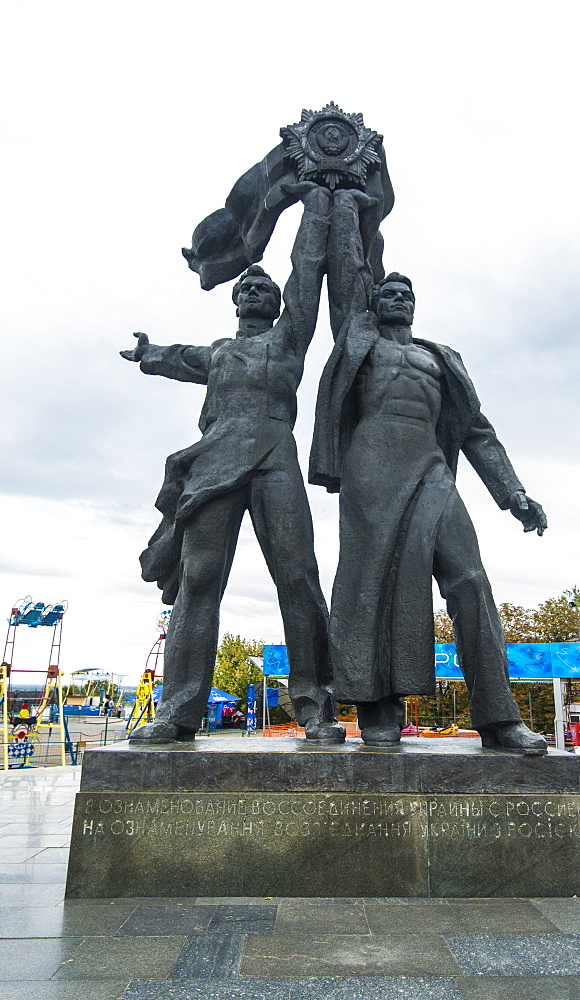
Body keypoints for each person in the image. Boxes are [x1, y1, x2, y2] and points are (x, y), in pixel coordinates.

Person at [310, 204, 548, 752]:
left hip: (431, 470)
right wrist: (347, 205)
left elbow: (477, 433)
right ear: (374, 302)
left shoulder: (442, 359)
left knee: (470, 579)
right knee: (370, 585)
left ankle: (497, 716)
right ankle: (377, 709)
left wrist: (513, 494)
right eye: (390, 291)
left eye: (408, 294)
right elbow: (348, 269)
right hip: (371, 470)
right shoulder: (360, 345)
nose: (399, 297)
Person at [121, 183, 344, 744]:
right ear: (235, 302)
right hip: (215, 459)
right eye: (246, 285)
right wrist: (149, 355)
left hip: (274, 457)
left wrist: (315, 206)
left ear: (275, 304)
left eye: (262, 286)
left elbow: (306, 270)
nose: (254, 289)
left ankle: (316, 706)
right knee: (200, 582)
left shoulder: (290, 340)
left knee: (298, 577)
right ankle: (177, 712)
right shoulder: (219, 352)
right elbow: (175, 357)